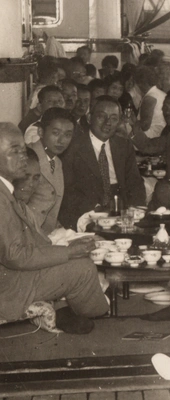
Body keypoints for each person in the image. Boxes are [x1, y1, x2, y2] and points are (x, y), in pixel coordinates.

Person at [0, 123, 109, 333]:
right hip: (8, 288)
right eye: (14, 151)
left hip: (12, 276)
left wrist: (66, 250)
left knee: (75, 260)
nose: (23, 156)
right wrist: (69, 251)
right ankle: (104, 316)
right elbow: (15, 256)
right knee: (83, 269)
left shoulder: (7, 191)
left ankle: (74, 310)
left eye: (23, 150)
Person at [59, 95, 146, 230]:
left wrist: (135, 213)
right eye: (101, 116)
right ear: (89, 118)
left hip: (120, 209)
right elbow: (68, 192)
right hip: (88, 212)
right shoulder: (73, 147)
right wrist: (95, 212)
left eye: (113, 118)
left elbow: (135, 183)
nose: (108, 123)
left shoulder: (123, 145)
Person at [27, 108, 76, 235]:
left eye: (68, 135)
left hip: (47, 236)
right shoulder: (28, 158)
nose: (61, 141)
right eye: (56, 133)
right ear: (41, 132)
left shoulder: (58, 163)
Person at [134, 66, 166, 138]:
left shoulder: (149, 97)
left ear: (140, 83)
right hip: (161, 132)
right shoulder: (161, 93)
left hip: (151, 135)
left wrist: (132, 122)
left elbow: (145, 126)